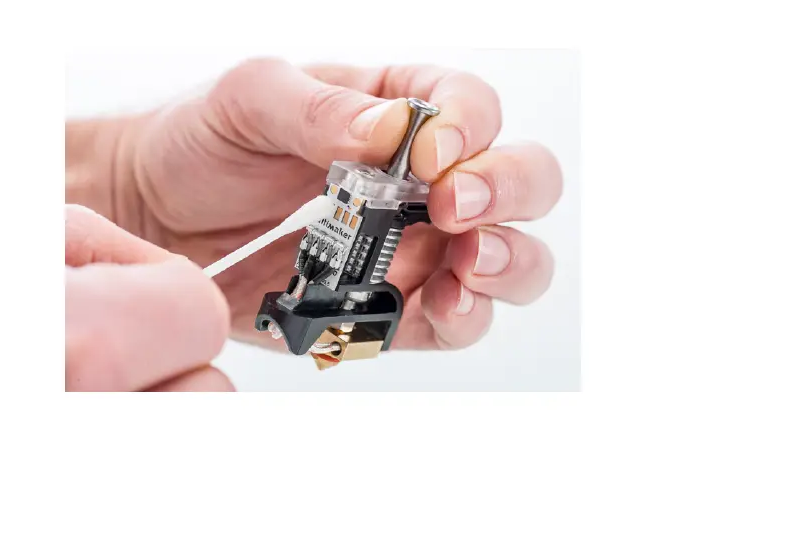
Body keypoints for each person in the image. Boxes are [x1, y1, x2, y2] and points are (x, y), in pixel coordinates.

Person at [65, 57, 564, 391]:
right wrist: (128, 191)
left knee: (456, 223)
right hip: (328, 297)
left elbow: (335, 342)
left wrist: (126, 186)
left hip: (340, 298)